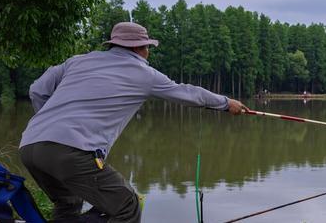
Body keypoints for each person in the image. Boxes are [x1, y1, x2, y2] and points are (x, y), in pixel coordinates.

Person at [18, 22, 248, 223]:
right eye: (148, 47)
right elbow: (187, 93)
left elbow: (37, 90)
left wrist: (48, 126)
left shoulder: (77, 61)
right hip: (72, 152)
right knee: (127, 205)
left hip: (29, 146)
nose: (148, 52)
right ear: (139, 48)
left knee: (68, 204)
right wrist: (226, 103)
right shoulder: (143, 74)